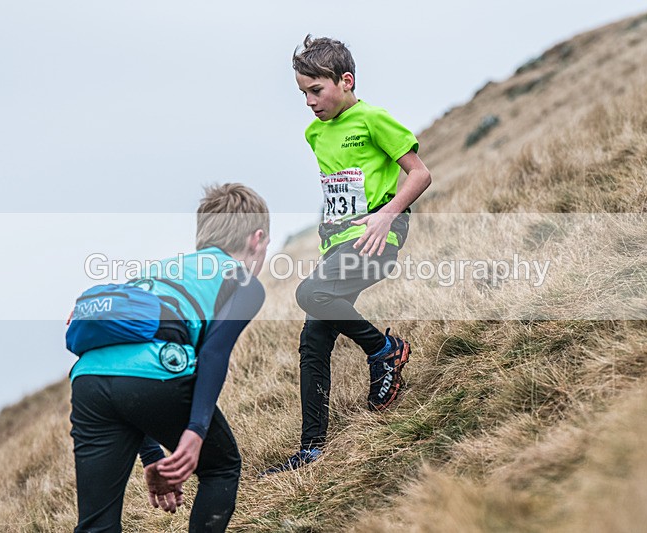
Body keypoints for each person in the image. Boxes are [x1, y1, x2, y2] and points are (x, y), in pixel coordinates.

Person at [263, 36, 432, 474]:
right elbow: (341, 190)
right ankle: (311, 449)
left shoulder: (373, 119)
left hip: (380, 233)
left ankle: (384, 350)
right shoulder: (314, 133)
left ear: (346, 80)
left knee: (309, 294)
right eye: (302, 93)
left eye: (316, 91)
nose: (309, 102)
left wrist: (387, 215)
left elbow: (420, 174)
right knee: (313, 341)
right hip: (338, 242)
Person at [68, 183, 269, 532]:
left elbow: (124, 363)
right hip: (157, 372)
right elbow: (214, 352)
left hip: (88, 379)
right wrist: (195, 432)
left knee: (96, 525)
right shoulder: (243, 281)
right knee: (220, 466)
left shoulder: (160, 270)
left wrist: (152, 454)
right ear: (257, 238)